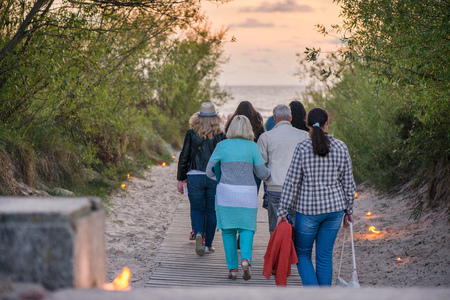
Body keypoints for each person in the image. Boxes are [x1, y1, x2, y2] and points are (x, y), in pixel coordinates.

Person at [277, 107, 355, 286]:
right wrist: (349, 210)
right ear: (328, 123)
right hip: (334, 210)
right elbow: (348, 183)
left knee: (302, 254)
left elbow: (292, 182)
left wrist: (282, 211)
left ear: (307, 125)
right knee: (324, 256)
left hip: (308, 211)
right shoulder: (341, 147)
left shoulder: (302, 148)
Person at [206, 115, 270, 281]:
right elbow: (262, 173)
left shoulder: (222, 146)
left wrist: (220, 177)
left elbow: (209, 171)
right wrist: (271, 172)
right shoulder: (252, 147)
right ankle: (246, 260)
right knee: (247, 228)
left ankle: (233, 270)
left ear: (230, 128)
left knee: (228, 231)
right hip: (247, 195)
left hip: (226, 194)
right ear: (249, 129)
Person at [177, 102, 226, 256]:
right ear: (216, 118)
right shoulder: (220, 135)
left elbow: (184, 156)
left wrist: (181, 178)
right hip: (213, 176)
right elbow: (223, 158)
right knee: (211, 211)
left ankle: (198, 233)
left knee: (197, 209)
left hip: (194, 175)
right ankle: (208, 245)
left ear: (198, 117)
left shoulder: (191, 133)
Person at [257, 104, 309, 235]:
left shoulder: (266, 137)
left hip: (275, 188)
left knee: (275, 228)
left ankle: (278, 253)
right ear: (290, 118)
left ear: (274, 118)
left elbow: (259, 165)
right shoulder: (304, 135)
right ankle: (294, 253)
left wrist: (267, 177)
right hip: (298, 189)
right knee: (298, 228)